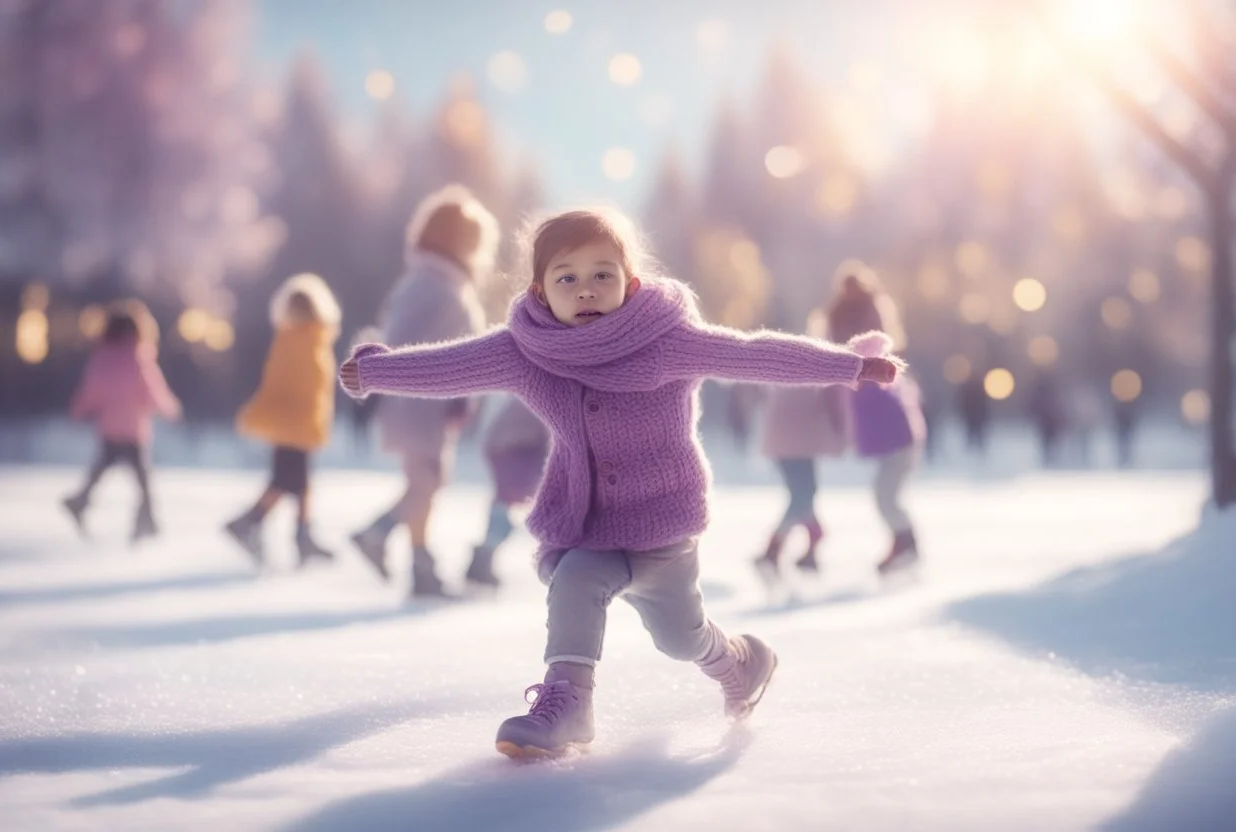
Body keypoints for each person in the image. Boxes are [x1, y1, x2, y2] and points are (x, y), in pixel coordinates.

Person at [340, 208, 901, 758]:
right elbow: (450, 366)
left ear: (629, 285)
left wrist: (848, 366)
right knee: (576, 582)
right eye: (567, 278)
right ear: (540, 292)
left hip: (662, 526)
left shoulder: (667, 340)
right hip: (586, 522)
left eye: (601, 275)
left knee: (680, 637)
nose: (585, 290)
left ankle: (738, 663)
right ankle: (567, 703)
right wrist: (376, 370)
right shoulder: (527, 351)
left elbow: (755, 354)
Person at [350, 185, 498, 598]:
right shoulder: (433, 284)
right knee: (427, 483)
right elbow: (399, 339)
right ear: (460, 240)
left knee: (427, 481)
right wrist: (378, 381)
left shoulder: (435, 281)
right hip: (416, 403)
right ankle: (377, 534)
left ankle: (420, 568)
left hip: (424, 404)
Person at [225, 273, 341, 566]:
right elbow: (304, 386)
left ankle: (301, 536)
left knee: (299, 482)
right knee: (287, 482)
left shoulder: (294, 339)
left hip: (293, 424)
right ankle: (250, 522)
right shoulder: (308, 340)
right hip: (297, 424)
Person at [827, 261, 927, 574]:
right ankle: (904, 544)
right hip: (898, 435)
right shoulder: (851, 321)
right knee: (884, 494)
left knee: (885, 494)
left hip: (901, 437)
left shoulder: (879, 374)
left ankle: (906, 545)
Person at [64, 299, 181, 542]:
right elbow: (152, 391)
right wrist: (170, 410)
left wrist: (78, 411)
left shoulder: (101, 358)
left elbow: (90, 390)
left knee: (101, 471)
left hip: (109, 429)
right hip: (132, 430)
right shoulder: (138, 357)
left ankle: (81, 500)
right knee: (143, 480)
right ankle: (146, 521)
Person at [753, 309, 848, 582]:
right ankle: (771, 552)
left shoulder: (807, 357)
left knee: (805, 492)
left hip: (791, 440)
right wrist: (840, 434)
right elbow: (831, 406)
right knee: (803, 495)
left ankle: (810, 544)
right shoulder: (819, 361)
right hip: (791, 441)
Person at [466, 395, 551, 590]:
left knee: (508, 502)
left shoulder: (542, 389)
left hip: (512, 446)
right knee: (509, 502)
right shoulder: (551, 392)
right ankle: (481, 561)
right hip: (514, 448)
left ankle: (482, 560)